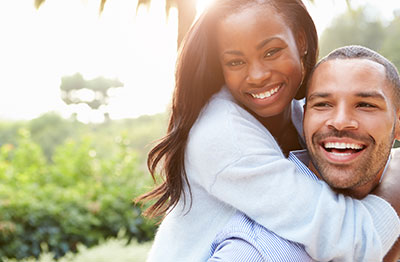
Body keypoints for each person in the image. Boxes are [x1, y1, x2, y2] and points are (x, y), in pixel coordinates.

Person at [136, 1, 400, 261]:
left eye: (271, 52)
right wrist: (394, 182)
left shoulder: (301, 112)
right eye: (235, 62)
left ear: (301, 41)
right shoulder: (223, 134)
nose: (258, 75)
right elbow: (346, 240)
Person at [208, 45, 400, 262]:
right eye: (323, 104)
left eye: (365, 105)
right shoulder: (256, 250)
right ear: (305, 115)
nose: (340, 121)